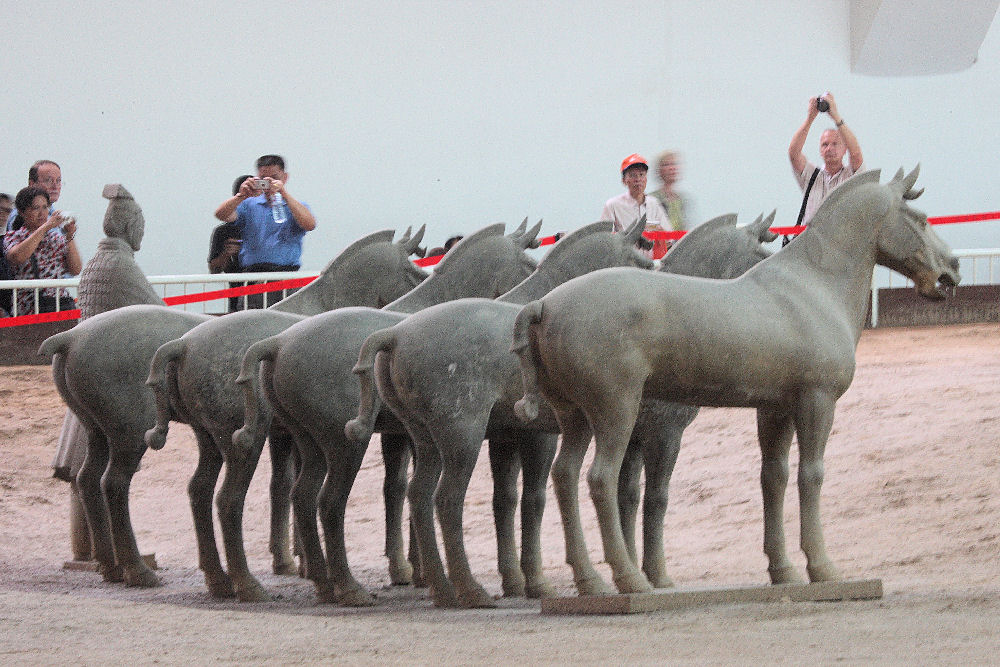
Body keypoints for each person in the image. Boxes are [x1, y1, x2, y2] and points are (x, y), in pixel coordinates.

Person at [213, 155, 316, 308]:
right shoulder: (248, 205)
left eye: (274, 178)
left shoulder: (296, 206)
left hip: (288, 278)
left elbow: (309, 224)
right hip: (255, 278)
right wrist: (241, 195)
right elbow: (221, 214)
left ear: (284, 177)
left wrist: (283, 194)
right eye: (263, 179)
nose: (268, 184)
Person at [788, 92, 864, 230]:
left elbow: (856, 154)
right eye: (825, 144)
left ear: (844, 149)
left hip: (843, 243)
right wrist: (810, 118)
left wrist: (836, 116)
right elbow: (794, 153)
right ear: (820, 150)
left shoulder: (851, 175)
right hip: (811, 244)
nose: (830, 148)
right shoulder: (811, 175)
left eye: (835, 144)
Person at [2, 186, 81, 314]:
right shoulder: (14, 237)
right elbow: (17, 257)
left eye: (45, 207)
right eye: (36, 208)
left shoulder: (55, 237)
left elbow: (75, 269)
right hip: (29, 309)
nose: (42, 213)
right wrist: (46, 226)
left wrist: (69, 236)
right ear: (22, 212)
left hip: (59, 305)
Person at [600, 153, 670, 258]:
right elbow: (603, 240)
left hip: (651, 265)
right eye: (632, 175)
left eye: (641, 175)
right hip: (625, 263)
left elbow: (670, 237)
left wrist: (659, 234)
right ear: (624, 181)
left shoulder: (654, 203)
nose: (638, 179)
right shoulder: (613, 205)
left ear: (646, 179)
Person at [208, 175, 251, 312]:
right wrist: (226, 254)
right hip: (236, 293)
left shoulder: (267, 226)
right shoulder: (224, 231)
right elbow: (214, 269)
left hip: (268, 288)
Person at [6, 160, 63, 232]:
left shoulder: (53, 212)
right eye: (48, 180)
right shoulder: (21, 214)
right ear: (32, 184)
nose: (55, 186)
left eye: (58, 181)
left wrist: (69, 235)